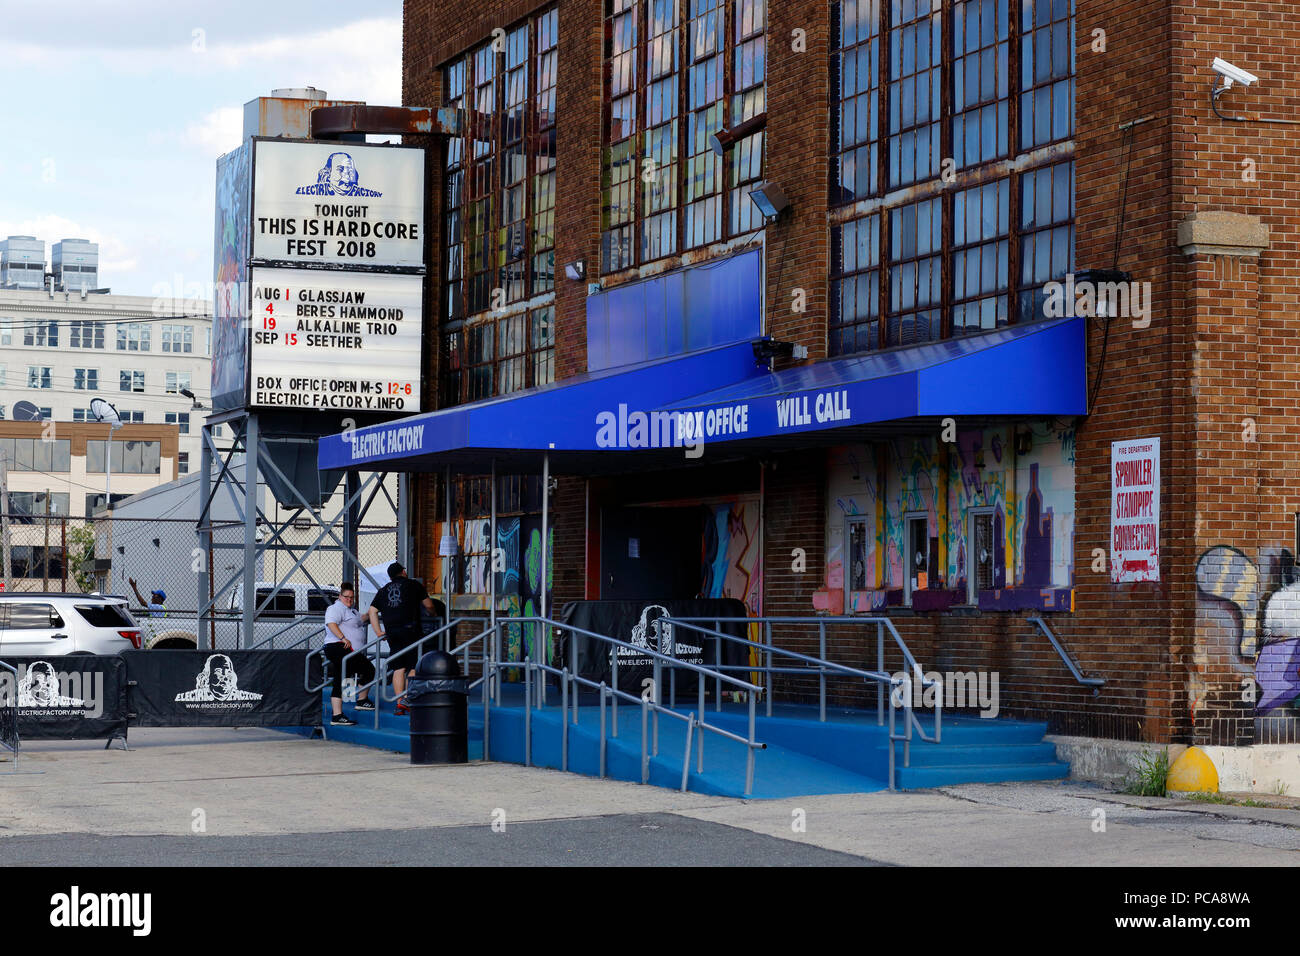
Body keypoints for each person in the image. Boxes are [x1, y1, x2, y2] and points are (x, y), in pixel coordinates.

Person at [367, 562, 437, 715]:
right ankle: (407, 698)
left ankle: (399, 703)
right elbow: (429, 605)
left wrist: (378, 631)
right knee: (414, 665)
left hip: (392, 632)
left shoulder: (383, 590)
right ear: (403, 572)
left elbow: (372, 611)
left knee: (398, 667)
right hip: (410, 630)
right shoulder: (413, 585)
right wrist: (433, 614)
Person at [322, 582, 375, 725]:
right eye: (346, 597)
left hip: (349, 650)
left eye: (351, 597)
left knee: (345, 675)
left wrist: (373, 611)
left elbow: (360, 619)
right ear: (340, 596)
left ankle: (342, 710)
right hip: (338, 647)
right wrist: (343, 638)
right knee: (368, 669)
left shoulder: (352, 611)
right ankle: (357, 702)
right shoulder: (335, 608)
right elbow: (331, 624)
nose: (349, 600)